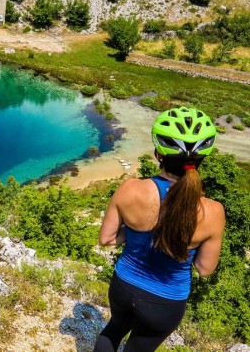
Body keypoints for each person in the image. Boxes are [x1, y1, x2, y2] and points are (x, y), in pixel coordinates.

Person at [94, 107, 225, 352]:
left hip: (123, 286)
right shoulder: (213, 211)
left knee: (112, 331)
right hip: (165, 301)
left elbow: (107, 238)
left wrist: (135, 232)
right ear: (201, 159)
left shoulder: (130, 188)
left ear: (158, 154)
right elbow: (204, 269)